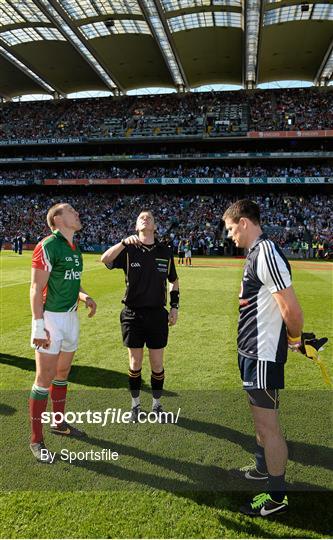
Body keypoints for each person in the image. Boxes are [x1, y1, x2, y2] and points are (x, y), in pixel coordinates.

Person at [223, 199, 304, 517]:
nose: (230, 236)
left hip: (262, 356)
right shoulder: (256, 253)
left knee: (269, 427)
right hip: (251, 353)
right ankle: (261, 470)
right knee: (260, 421)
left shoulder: (266, 251)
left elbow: (291, 310)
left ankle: (276, 497)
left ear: (243, 223)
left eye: (231, 229)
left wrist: (295, 338)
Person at [29, 203, 97, 463]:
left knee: (62, 374)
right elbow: (36, 288)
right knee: (43, 378)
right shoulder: (47, 245)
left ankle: (58, 423)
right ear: (57, 219)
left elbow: (72, 280)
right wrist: (38, 326)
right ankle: (36, 440)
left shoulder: (74, 248)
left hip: (71, 319)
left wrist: (84, 295)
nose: (77, 213)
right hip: (50, 320)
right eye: (71, 211)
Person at [101, 209, 179, 422]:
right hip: (132, 314)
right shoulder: (128, 250)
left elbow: (174, 280)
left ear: (154, 226)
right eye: (141, 218)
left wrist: (174, 307)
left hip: (156, 314)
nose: (146, 219)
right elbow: (104, 259)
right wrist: (123, 243)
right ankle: (135, 405)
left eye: (150, 218)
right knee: (135, 364)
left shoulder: (165, 251)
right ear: (137, 227)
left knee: (157, 364)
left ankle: (157, 404)